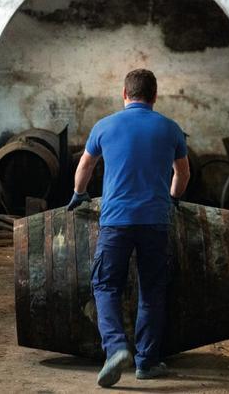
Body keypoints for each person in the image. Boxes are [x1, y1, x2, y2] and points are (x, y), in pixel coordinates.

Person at [67, 68, 190, 388]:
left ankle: (117, 348)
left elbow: (85, 166)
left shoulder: (104, 125)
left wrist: (79, 194)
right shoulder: (171, 128)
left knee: (106, 285)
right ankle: (147, 362)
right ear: (154, 96)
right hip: (155, 221)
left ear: (124, 94)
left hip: (115, 222)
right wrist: (173, 199)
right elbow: (183, 174)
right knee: (152, 289)